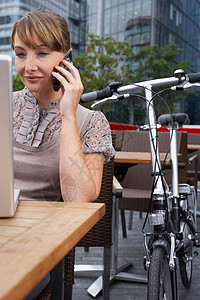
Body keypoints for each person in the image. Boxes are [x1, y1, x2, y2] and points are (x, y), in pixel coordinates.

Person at [11, 8, 115, 299]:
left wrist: (68, 114)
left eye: (41, 53)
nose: (28, 66)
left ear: (66, 58)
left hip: (35, 248)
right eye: (21, 54)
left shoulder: (91, 122)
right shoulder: (3, 105)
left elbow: (78, 198)